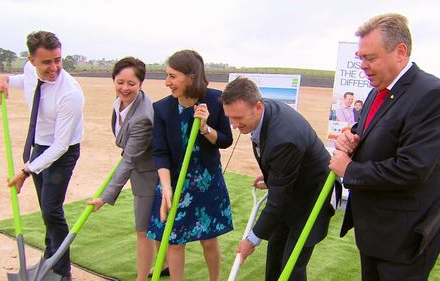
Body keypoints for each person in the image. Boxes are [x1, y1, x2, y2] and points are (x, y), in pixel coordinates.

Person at [329, 13, 440, 281]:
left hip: (406, 237)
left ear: (400, 52)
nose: (363, 65)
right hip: (377, 231)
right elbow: (370, 130)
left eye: (371, 58)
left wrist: (350, 170)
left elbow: (413, 168)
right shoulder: (378, 91)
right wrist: (350, 138)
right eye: (361, 58)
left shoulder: (431, 96)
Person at [222, 77, 336, 281]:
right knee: (275, 257)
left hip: (312, 198)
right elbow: (283, 173)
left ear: (257, 106)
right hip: (292, 189)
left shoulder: (284, 138)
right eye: (230, 117)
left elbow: (278, 200)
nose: (234, 124)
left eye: (238, 118)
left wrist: (251, 240)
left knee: (291, 267)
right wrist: (273, 177)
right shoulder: (264, 112)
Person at [0, 31, 84, 280]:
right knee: (46, 208)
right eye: (46, 62)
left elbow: (61, 146)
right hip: (40, 146)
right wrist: (5, 79)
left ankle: (62, 272)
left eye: (58, 60)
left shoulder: (71, 94)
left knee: (52, 210)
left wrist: (26, 170)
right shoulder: (30, 70)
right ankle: (49, 259)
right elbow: (24, 80)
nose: (54, 67)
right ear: (32, 60)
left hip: (62, 152)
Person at [146, 49, 234, 281]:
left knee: (208, 239)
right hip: (173, 181)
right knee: (173, 239)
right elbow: (160, 152)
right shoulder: (162, 108)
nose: (167, 82)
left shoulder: (215, 101)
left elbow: (226, 140)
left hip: (206, 180)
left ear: (191, 76)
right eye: (167, 75)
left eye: (173, 76)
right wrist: (165, 187)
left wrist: (205, 128)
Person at [86, 57, 159, 281]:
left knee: (143, 229)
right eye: (120, 82)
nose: (124, 88)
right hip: (138, 164)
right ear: (114, 80)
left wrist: (104, 197)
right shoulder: (120, 102)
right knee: (152, 224)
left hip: (149, 174)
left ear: (141, 84)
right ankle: (163, 263)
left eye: (131, 84)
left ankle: (141, 278)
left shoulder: (142, 118)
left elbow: (129, 160)